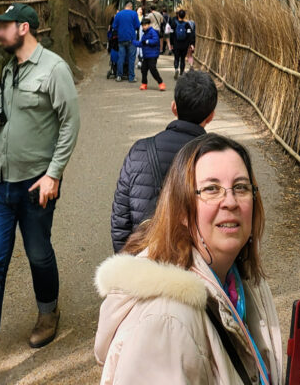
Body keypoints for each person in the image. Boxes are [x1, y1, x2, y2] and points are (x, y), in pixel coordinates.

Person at [97, 133, 287, 384]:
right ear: (182, 209)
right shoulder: (166, 323)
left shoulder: (242, 282)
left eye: (241, 187)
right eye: (211, 189)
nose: (230, 201)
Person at [0, 3, 80, 385]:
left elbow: (69, 124)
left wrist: (54, 174)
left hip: (34, 183)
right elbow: (9, 110)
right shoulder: (10, 67)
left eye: (4, 27)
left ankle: (48, 311)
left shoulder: (55, 70)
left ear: (24, 28)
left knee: (38, 253)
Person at [110, 70, 218, 252]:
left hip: (146, 258)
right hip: (198, 264)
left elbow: (120, 219)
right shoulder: (218, 158)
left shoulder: (140, 150)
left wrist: (127, 261)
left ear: (174, 107)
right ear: (211, 116)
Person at [111, 0, 140, 83]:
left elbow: (114, 26)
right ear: (131, 6)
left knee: (121, 57)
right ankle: (131, 77)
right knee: (131, 58)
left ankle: (119, 76)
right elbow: (137, 25)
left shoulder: (119, 14)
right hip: (131, 38)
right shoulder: (134, 14)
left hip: (121, 39)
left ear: (125, 6)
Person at [139, 16, 165, 91]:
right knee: (143, 69)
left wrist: (147, 41)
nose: (144, 27)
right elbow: (142, 43)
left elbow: (155, 41)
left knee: (152, 69)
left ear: (149, 25)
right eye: (143, 25)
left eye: (145, 25)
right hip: (146, 55)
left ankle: (161, 83)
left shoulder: (152, 32)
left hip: (153, 54)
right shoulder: (145, 34)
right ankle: (144, 84)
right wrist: (134, 42)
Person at [172, 8, 195, 79]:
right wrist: (191, 44)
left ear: (178, 15)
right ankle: (181, 72)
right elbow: (190, 35)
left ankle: (176, 69)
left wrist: (171, 43)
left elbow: (171, 34)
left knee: (176, 58)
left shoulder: (174, 23)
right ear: (184, 16)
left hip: (176, 44)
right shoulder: (187, 24)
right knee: (182, 59)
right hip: (184, 44)